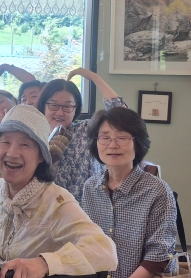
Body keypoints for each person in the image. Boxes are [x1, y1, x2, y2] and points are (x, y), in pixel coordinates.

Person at [0, 105, 117, 278]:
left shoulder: (56, 202)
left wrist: (44, 263)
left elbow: (105, 251)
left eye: (25, 144)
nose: (12, 153)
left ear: (41, 157)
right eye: (5, 142)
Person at [81, 108, 177, 278]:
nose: (112, 145)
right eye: (105, 137)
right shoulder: (90, 187)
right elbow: (83, 241)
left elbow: (158, 256)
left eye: (122, 137)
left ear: (137, 143)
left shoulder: (157, 190)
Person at [39, 68, 127, 198]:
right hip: (45, 207)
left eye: (67, 106)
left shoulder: (85, 130)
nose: (60, 112)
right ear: (43, 106)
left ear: (76, 109)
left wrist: (94, 77)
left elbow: (123, 117)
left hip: (86, 206)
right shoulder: (34, 137)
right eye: (53, 105)